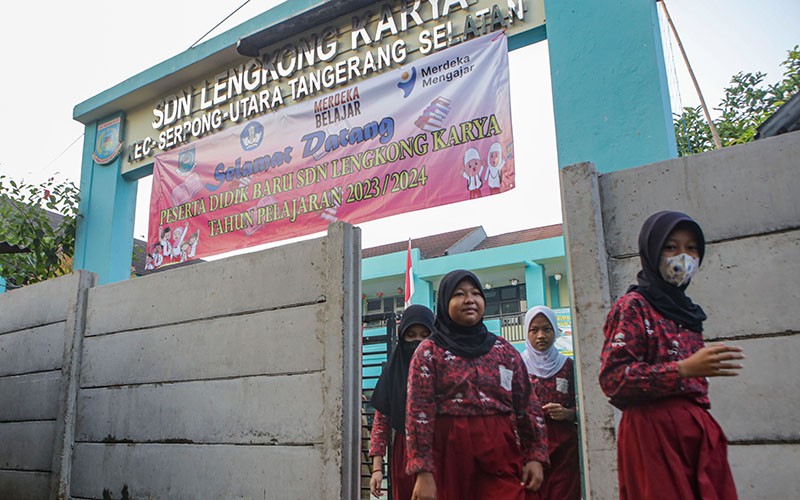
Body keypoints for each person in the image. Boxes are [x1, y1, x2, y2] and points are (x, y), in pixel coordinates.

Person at [599, 211, 743, 500]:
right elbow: (614, 378)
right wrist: (681, 369)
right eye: (671, 247)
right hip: (653, 434)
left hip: (695, 431)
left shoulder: (688, 312)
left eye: (691, 248)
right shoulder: (633, 306)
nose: (683, 256)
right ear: (652, 251)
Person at [405, 269, 548, 500]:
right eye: (459, 294)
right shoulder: (429, 352)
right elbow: (417, 413)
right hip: (449, 452)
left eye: (475, 293)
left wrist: (535, 455)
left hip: (500, 449)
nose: (469, 300)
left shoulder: (504, 351)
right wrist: (422, 471)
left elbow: (528, 405)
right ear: (444, 302)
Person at [369, 305, 435, 500]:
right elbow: (381, 422)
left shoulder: (444, 367)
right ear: (401, 336)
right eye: (411, 335)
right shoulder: (393, 371)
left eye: (425, 334)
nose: (418, 341)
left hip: (439, 450)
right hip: (404, 453)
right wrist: (376, 469)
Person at [522, 305, 581, 500]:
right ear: (526, 333)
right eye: (534, 329)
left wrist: (568, 413)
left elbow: (584, 405)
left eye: (547, 329)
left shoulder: (569, 366)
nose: (541, 335)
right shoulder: (518, 366)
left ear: (555, 331)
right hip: (528, 446)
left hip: (564, 448)